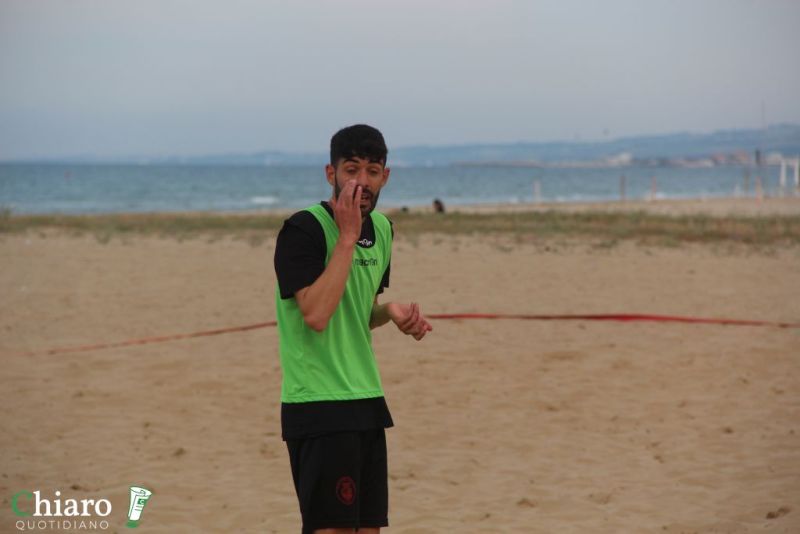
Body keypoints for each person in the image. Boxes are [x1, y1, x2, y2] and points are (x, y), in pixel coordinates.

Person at [274, 124, 433, 534]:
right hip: (318, 403)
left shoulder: (382, 230)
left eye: (372, 171)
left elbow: (357, 313)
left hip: (367, 399)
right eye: (351, 170)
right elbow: (316, 315)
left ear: (386, 176)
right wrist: (346, 237)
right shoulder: (303, 230)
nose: (361, 182)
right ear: (331, 174)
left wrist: (389, 312)